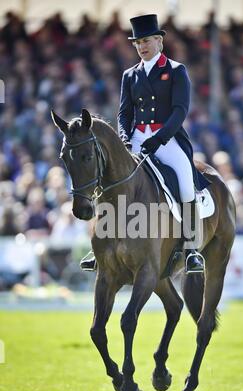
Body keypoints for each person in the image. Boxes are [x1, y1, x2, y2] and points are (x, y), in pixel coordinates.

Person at [81, 14, 209, 273]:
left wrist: (159, 139)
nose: (142, 46)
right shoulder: (130, 75)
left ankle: (192, 249)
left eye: (147, 40)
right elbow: (124, 113)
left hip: (168, 138)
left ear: (159, 40)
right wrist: (125, 138)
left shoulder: (175, 70)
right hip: (137, 138)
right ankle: (100, 246)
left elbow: (180, 110)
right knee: (110, 179)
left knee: (185, 182)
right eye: (138, 42)